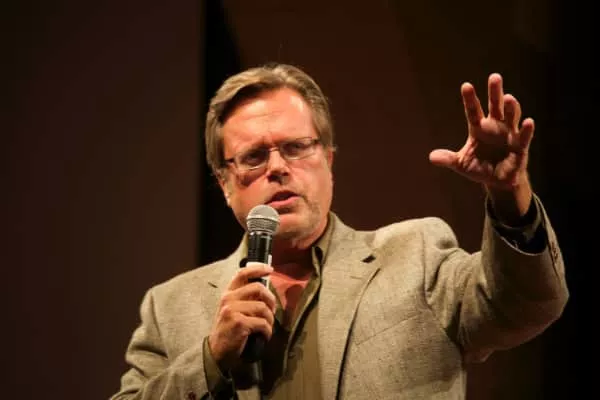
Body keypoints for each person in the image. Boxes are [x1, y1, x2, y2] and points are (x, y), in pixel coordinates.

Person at [110, 63, 568, 399]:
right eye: (253, 157)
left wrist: (510, 194)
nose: (277, 167)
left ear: (328, 161)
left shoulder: (416, 254)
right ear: (225, 184)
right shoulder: (170, 308)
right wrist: (211, 359)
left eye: (296, 147)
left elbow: (527, 305)